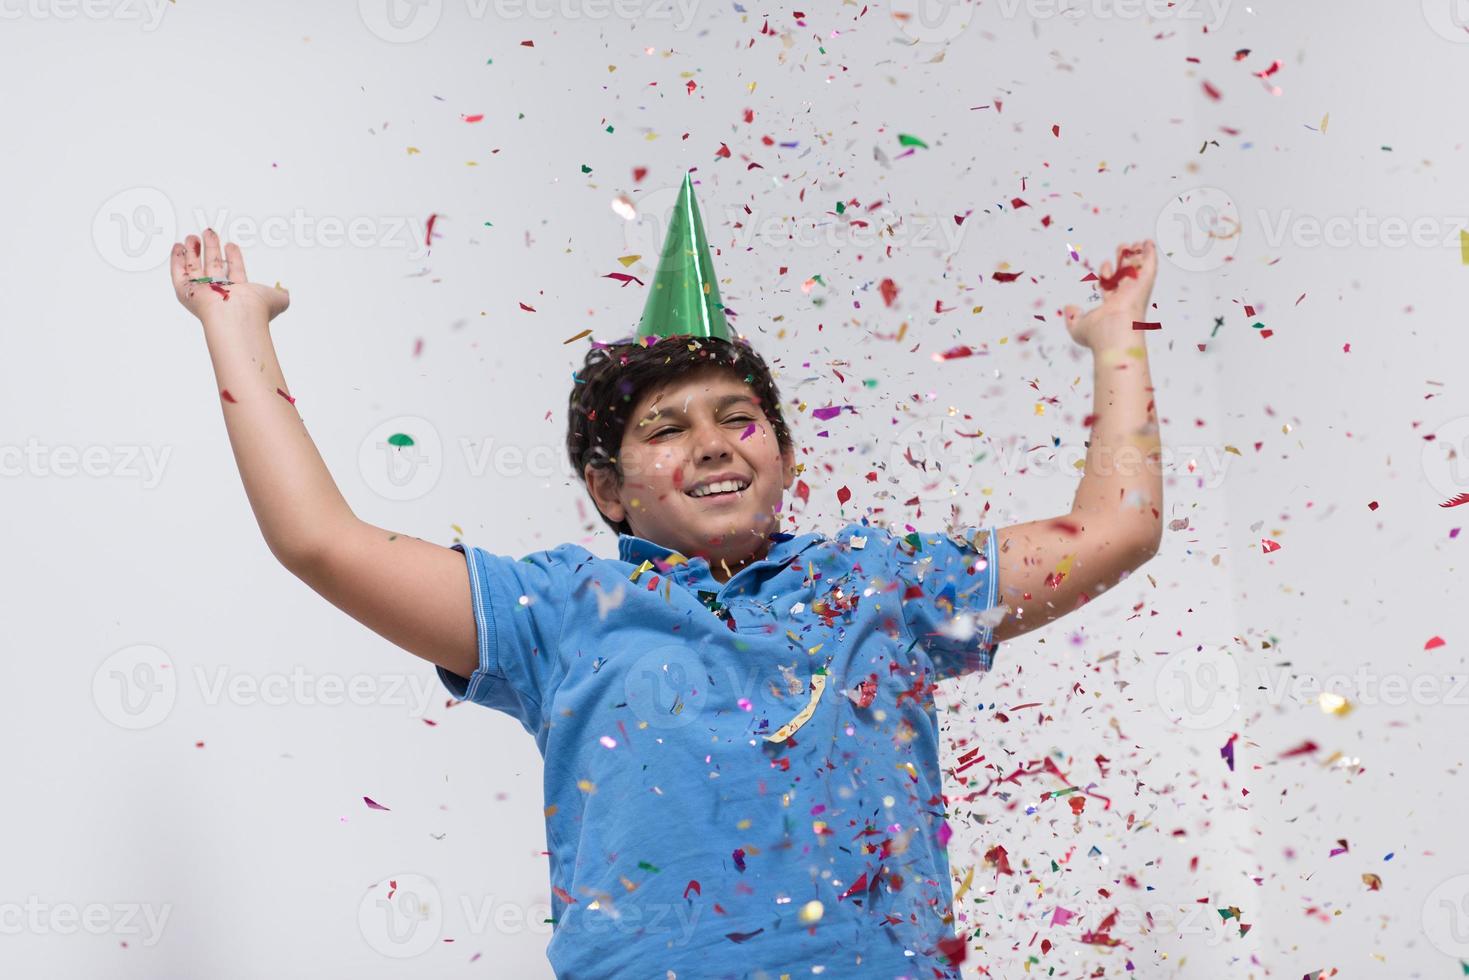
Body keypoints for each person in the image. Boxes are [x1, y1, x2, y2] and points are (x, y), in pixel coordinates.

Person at [168, 173, 1162, 979]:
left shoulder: (882, 583)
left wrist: (1116, 341)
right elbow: (319, 541)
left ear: (782, 455)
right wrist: (233, 323)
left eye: (737, 416)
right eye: (664, 427)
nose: (712, 443)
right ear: (608, 490)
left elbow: (1116, 527)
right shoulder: (557, 609)